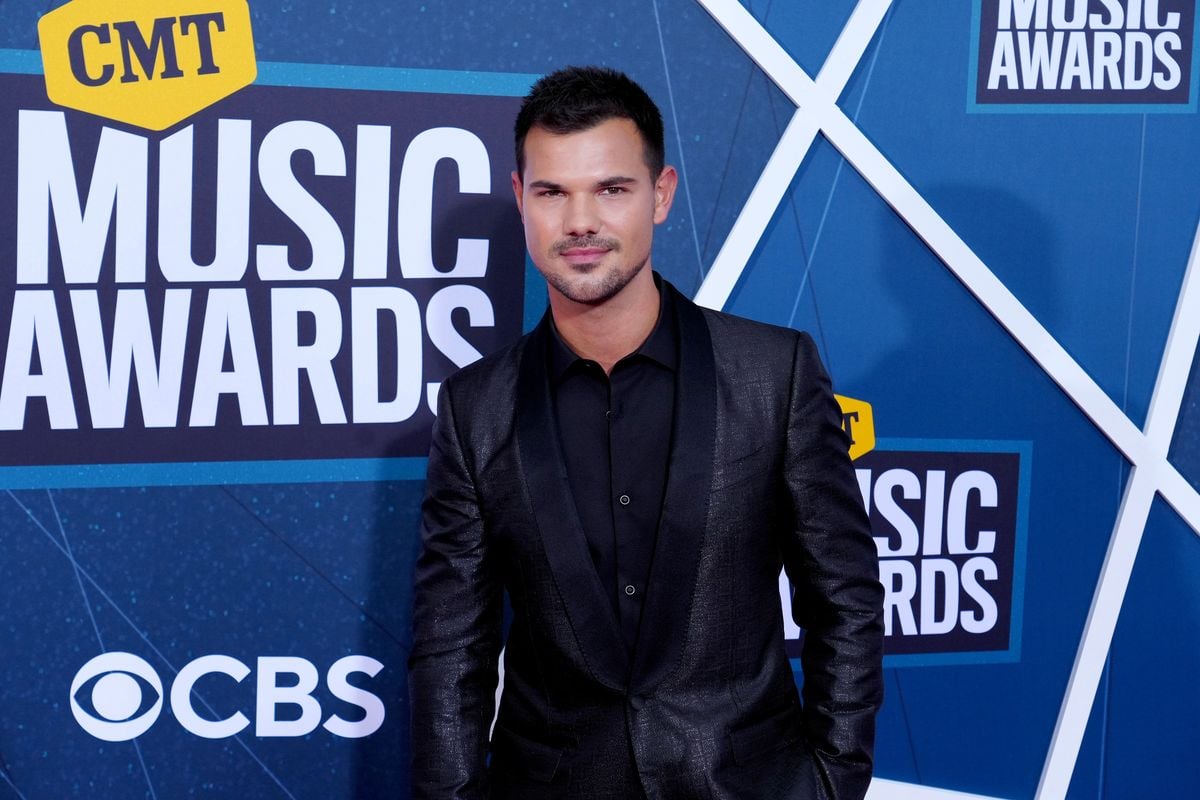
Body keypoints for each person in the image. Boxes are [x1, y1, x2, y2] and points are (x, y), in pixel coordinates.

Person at [409, 65, 883, 800]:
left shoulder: (773, 374)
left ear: (660, 195)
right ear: (520, 201)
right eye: (552, 192)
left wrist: (830, 784)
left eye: (611, 189)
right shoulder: (477, 408)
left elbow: (844, 599)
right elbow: (450, 648)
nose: (580, 223)